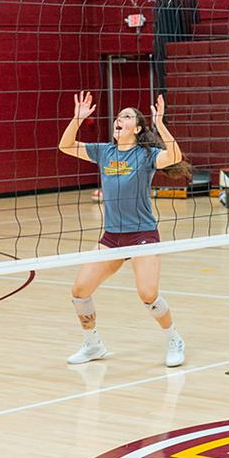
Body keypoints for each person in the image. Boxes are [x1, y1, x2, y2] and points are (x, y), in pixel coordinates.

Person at [58, 91, 191, 367]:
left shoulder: (146, 155)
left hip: (142, 234)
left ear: (138, 128)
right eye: (119, 116)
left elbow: (174, 155)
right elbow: (66, 146)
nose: (120, 119)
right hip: (112, 238)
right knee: (80, 291)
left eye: (127, 116)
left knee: (148, 295)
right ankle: (93, 344)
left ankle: (174, 338)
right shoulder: (104, 151)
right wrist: (77, 119)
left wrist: (161, 124)